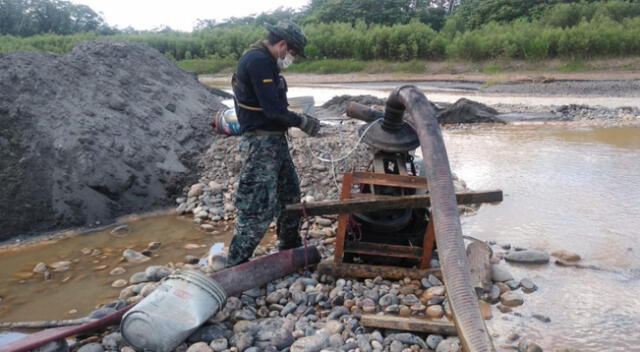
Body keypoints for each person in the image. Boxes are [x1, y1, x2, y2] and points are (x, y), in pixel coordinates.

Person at [227, 21, 321, 266]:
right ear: (282, 45)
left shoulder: (267, 62)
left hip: (275, 142)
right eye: (292, 53)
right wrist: (302, 121)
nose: (292, 58)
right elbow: (272, 110)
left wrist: (298, 121)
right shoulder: (257, 62)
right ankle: (235, 265)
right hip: (260, 145)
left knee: (290, 195)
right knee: (257, 205)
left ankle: (289, 248)